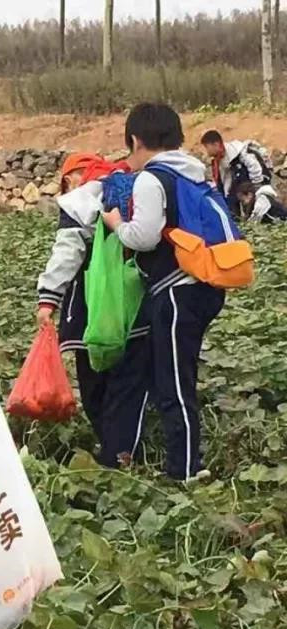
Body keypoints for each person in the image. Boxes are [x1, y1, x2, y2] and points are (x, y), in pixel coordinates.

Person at [103, 103, 225, 481]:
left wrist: (116, 223)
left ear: (136, 140)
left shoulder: (151, 179)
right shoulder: (192, 173)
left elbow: (144, 236)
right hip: (204, 287)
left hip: (176, 291)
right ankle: (182, 459)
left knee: (173, 380)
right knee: (172, 372)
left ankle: (186, 469)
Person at [35, 153, 151, 467]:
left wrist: (48, 298)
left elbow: (67, 252)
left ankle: (112, 453)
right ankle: (121, 453)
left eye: (65, 180)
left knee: (94, 384)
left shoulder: (81, 201)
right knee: (127, 386)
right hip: (136, 307)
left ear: (76, 174)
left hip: (92, 313)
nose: (64, 187)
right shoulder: (138, 189)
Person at [200, 130, 276, 217]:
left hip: (252, 185)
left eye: (207, 147)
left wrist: (256, 187)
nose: (207, 151)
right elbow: (225, 178)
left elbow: (254, 167)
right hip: (238, 187)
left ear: (216, 144)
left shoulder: (240, 153)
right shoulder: (218, 161)